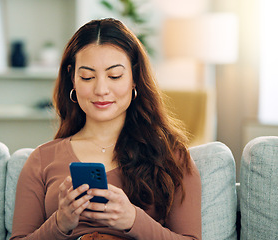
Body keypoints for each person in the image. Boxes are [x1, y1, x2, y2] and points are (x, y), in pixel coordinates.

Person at [10, 18, 201, 240]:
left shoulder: (171, 156)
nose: (101, 89)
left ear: (134, 78)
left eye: (114, 76)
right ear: (72, 78)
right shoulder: (42, 160)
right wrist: (60, 223)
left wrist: (133, 220)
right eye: (87, 77)